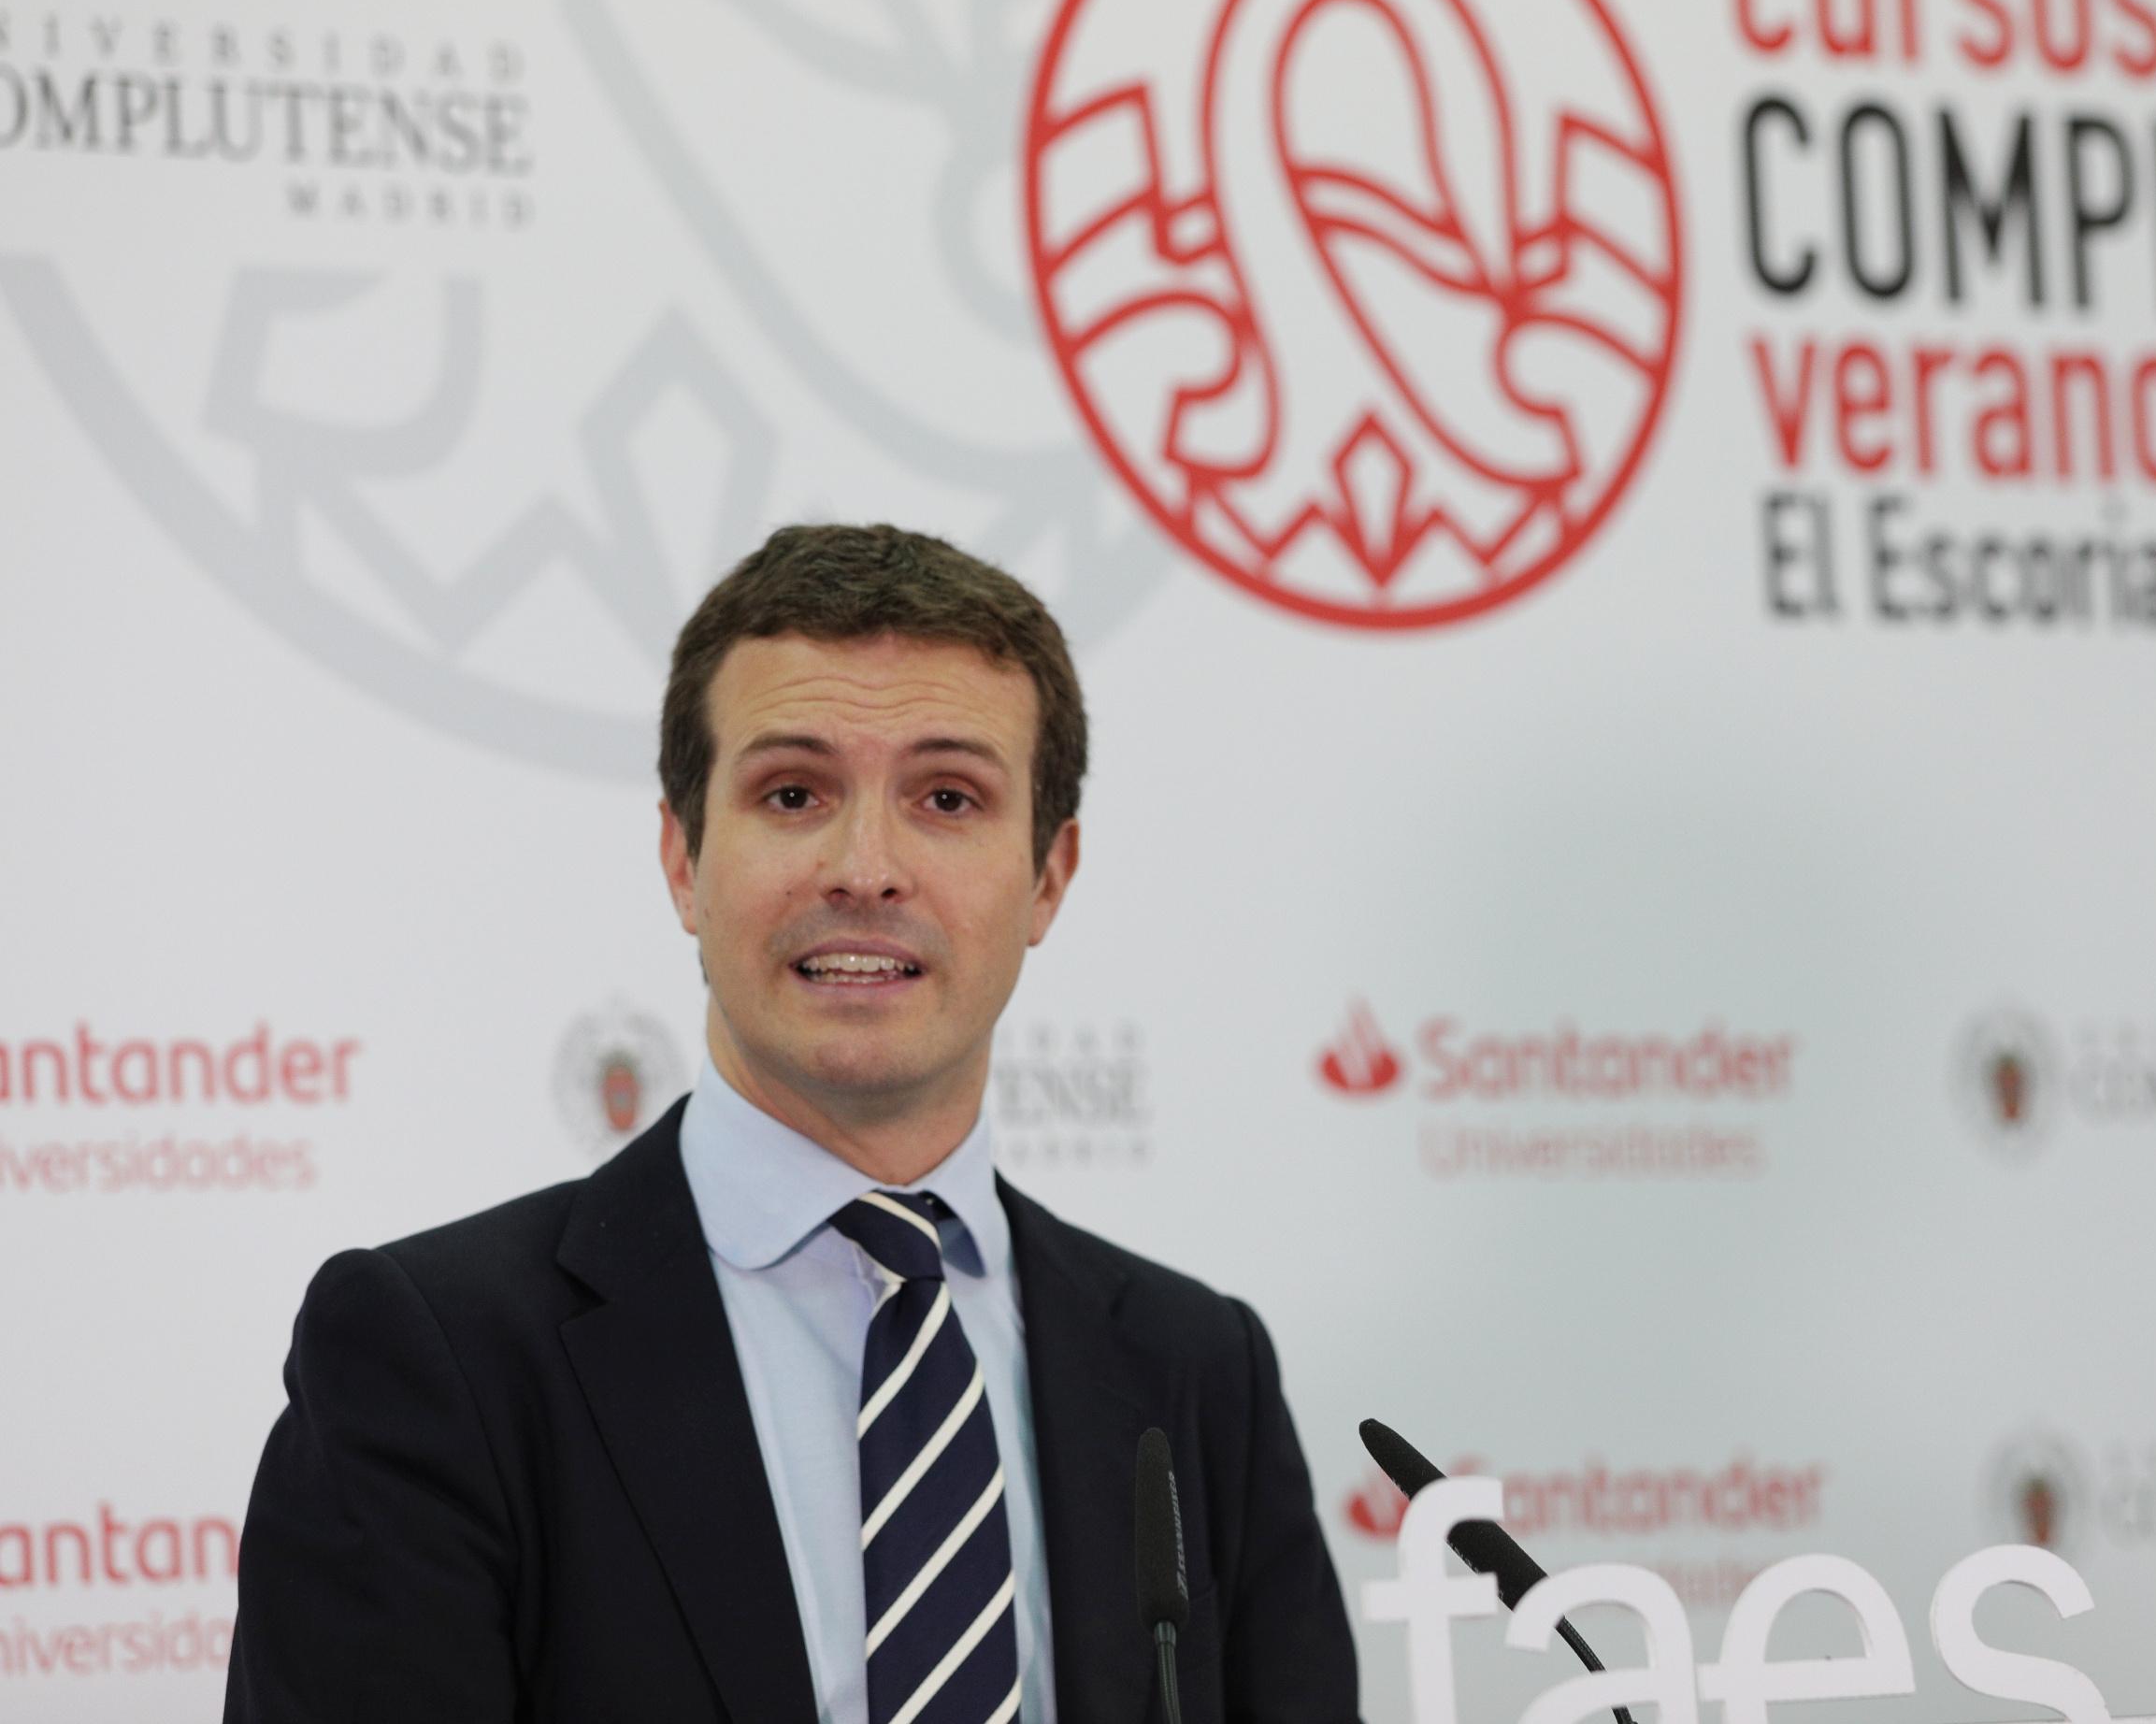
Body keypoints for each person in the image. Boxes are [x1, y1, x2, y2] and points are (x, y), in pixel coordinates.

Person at [225, 524, 1358, 1724]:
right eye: (794, 792)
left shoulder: (1196, 1367)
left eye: (947, 797)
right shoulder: (433, 1357)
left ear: (1048, 879)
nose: (865, 867)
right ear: (682, 857)